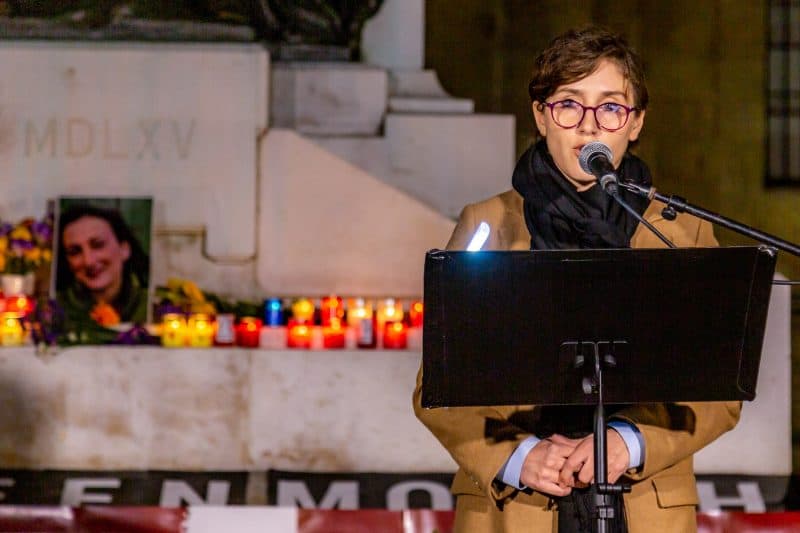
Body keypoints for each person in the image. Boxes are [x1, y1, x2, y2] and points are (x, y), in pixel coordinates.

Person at [413, 27, 740, 533]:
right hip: (514, 508)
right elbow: (437, 386)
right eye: (569, 104)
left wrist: (629, 442)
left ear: (636, 122)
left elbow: (721, 389)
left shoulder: (680, 232)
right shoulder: (488, 224)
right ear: (541, 116)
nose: (589, 126)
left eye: (610, 107)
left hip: (644, 509)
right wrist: (519, 455)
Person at [56, 204, 150, 325]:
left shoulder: (151, 306)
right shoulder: (55, 308)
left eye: (98, 245)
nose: (88, 261)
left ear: (124, 249)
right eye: (75, 252)